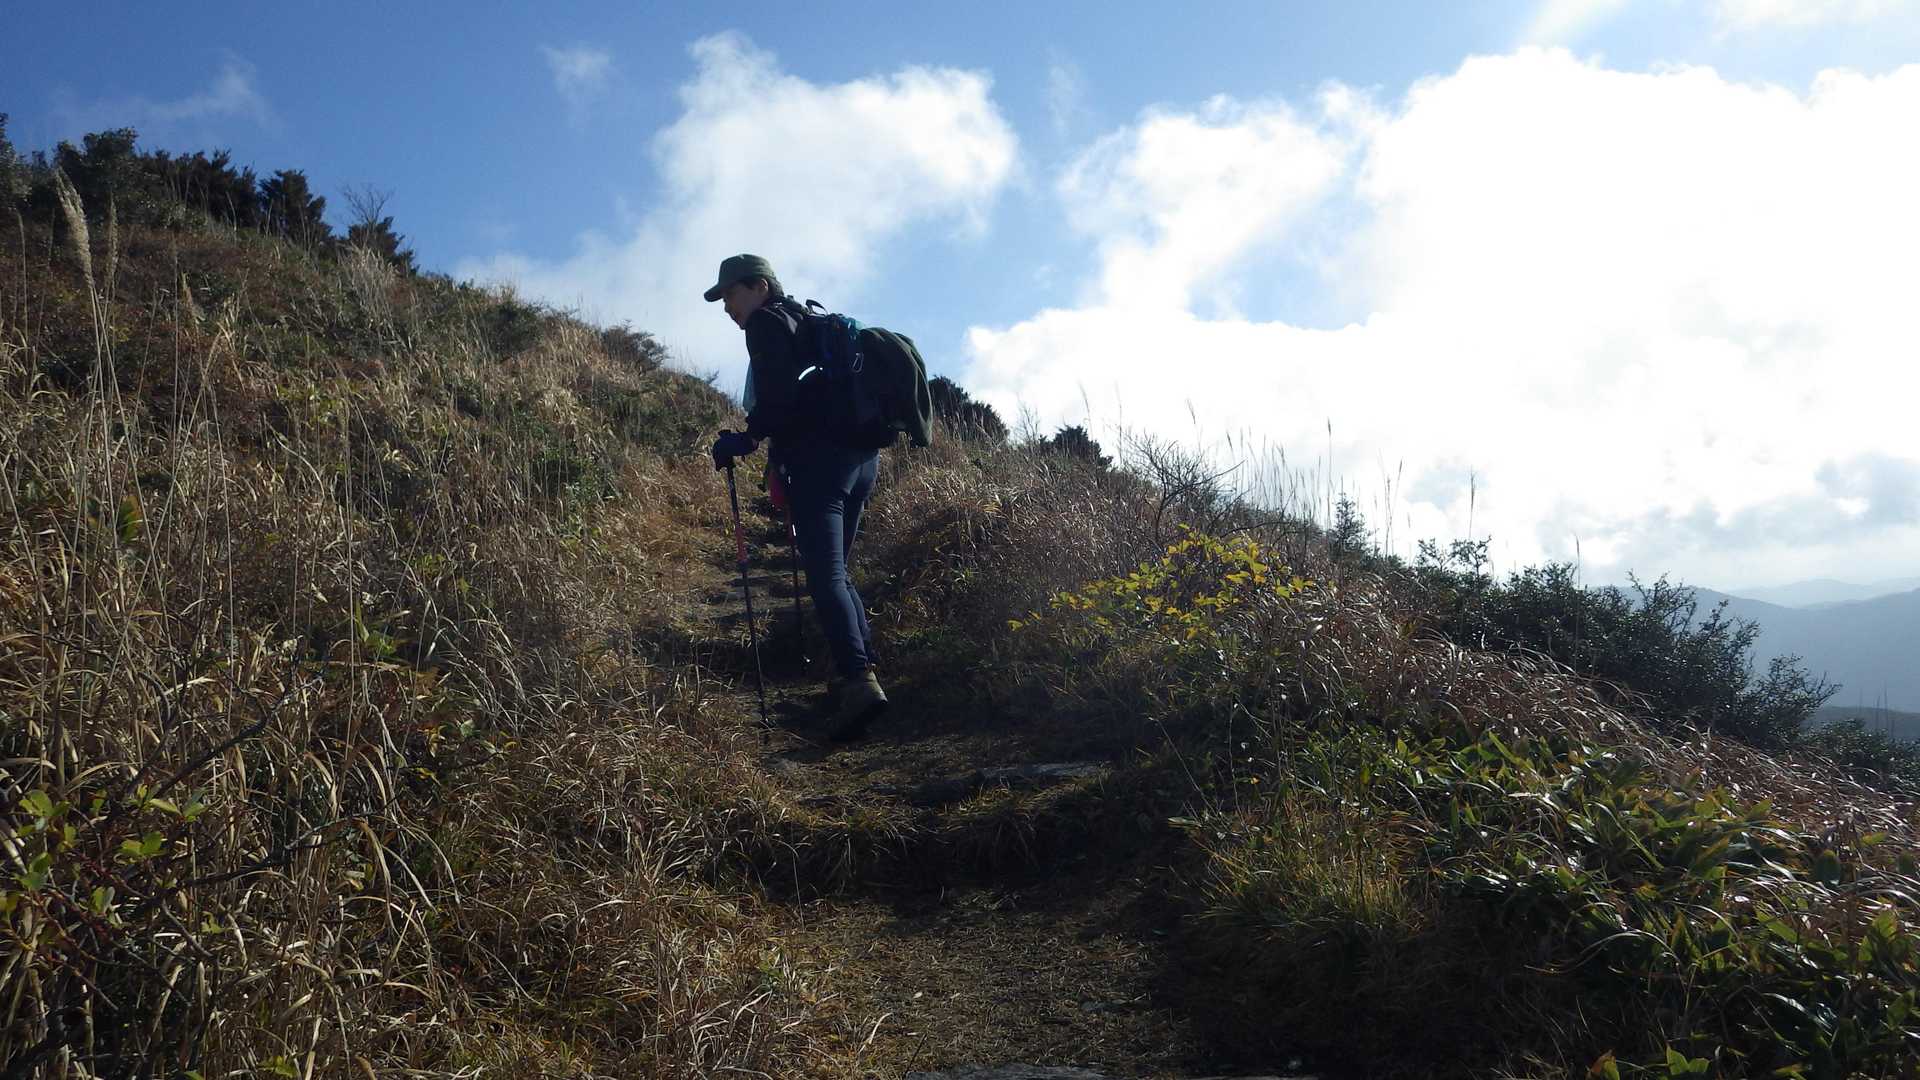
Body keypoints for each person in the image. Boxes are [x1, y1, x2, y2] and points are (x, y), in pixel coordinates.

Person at [706, 254, 888, 739]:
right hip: (861, 461)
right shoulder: (806, 318)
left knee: (825, 575)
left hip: (819, 465)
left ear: (760, 287)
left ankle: (858, 682)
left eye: (731, 293)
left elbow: (779, 397)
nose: (727, 307)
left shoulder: (765, 322)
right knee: (838, 571)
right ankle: (861, 670)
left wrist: (747, 438)